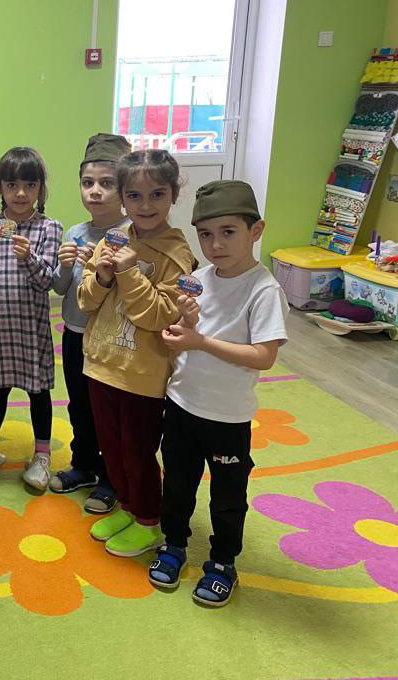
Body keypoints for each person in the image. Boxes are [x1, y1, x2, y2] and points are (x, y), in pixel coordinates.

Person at [150, 180, 288, 606]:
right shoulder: (197, 279)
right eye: (206, 234)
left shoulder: (263, 289)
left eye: (228, 232)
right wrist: (183, 325)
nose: (215, 244)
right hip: (182, 404)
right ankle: (173, 543)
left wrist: (201, 340)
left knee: (227, 497)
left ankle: (223, 562)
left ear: (256, 230)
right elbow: (179, 338)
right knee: (177, 484)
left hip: (228, 417)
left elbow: (264, 356)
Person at [78, 149, 196, 557]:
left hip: (142, 373)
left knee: (137, 452)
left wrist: (128, 272)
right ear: (122, 198)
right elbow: (85, 301)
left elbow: (159, 316)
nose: (145, 205)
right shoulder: (112, 240)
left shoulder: (176, 254)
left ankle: (148, 520)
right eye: (134, 196)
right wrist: (103, 275)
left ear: (174, 194)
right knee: (111, 448)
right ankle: (128, 507)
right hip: (100, 364)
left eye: (157, 194)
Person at [0, 147, 61, 491]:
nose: (20, 193)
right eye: (12, 185)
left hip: (31, 329)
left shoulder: (49, 228)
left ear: (41, 189)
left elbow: (48, 282)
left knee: (39, 391)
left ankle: (42, 455)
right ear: (0, 188)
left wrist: (29, 257)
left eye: (30, 185)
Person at [49, 133, 131, 514]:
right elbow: (59, 288)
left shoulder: (131, 235)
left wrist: (105, 269)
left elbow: (131, 295)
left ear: (124, 188)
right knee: (79, 404)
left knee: (108, 411)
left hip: (111, 340)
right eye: (88, 182)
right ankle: (83, 463)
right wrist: (66, 265)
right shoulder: (75, 232)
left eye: (106, 183)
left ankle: (111, 476)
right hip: (75, 332)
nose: (95, 191)